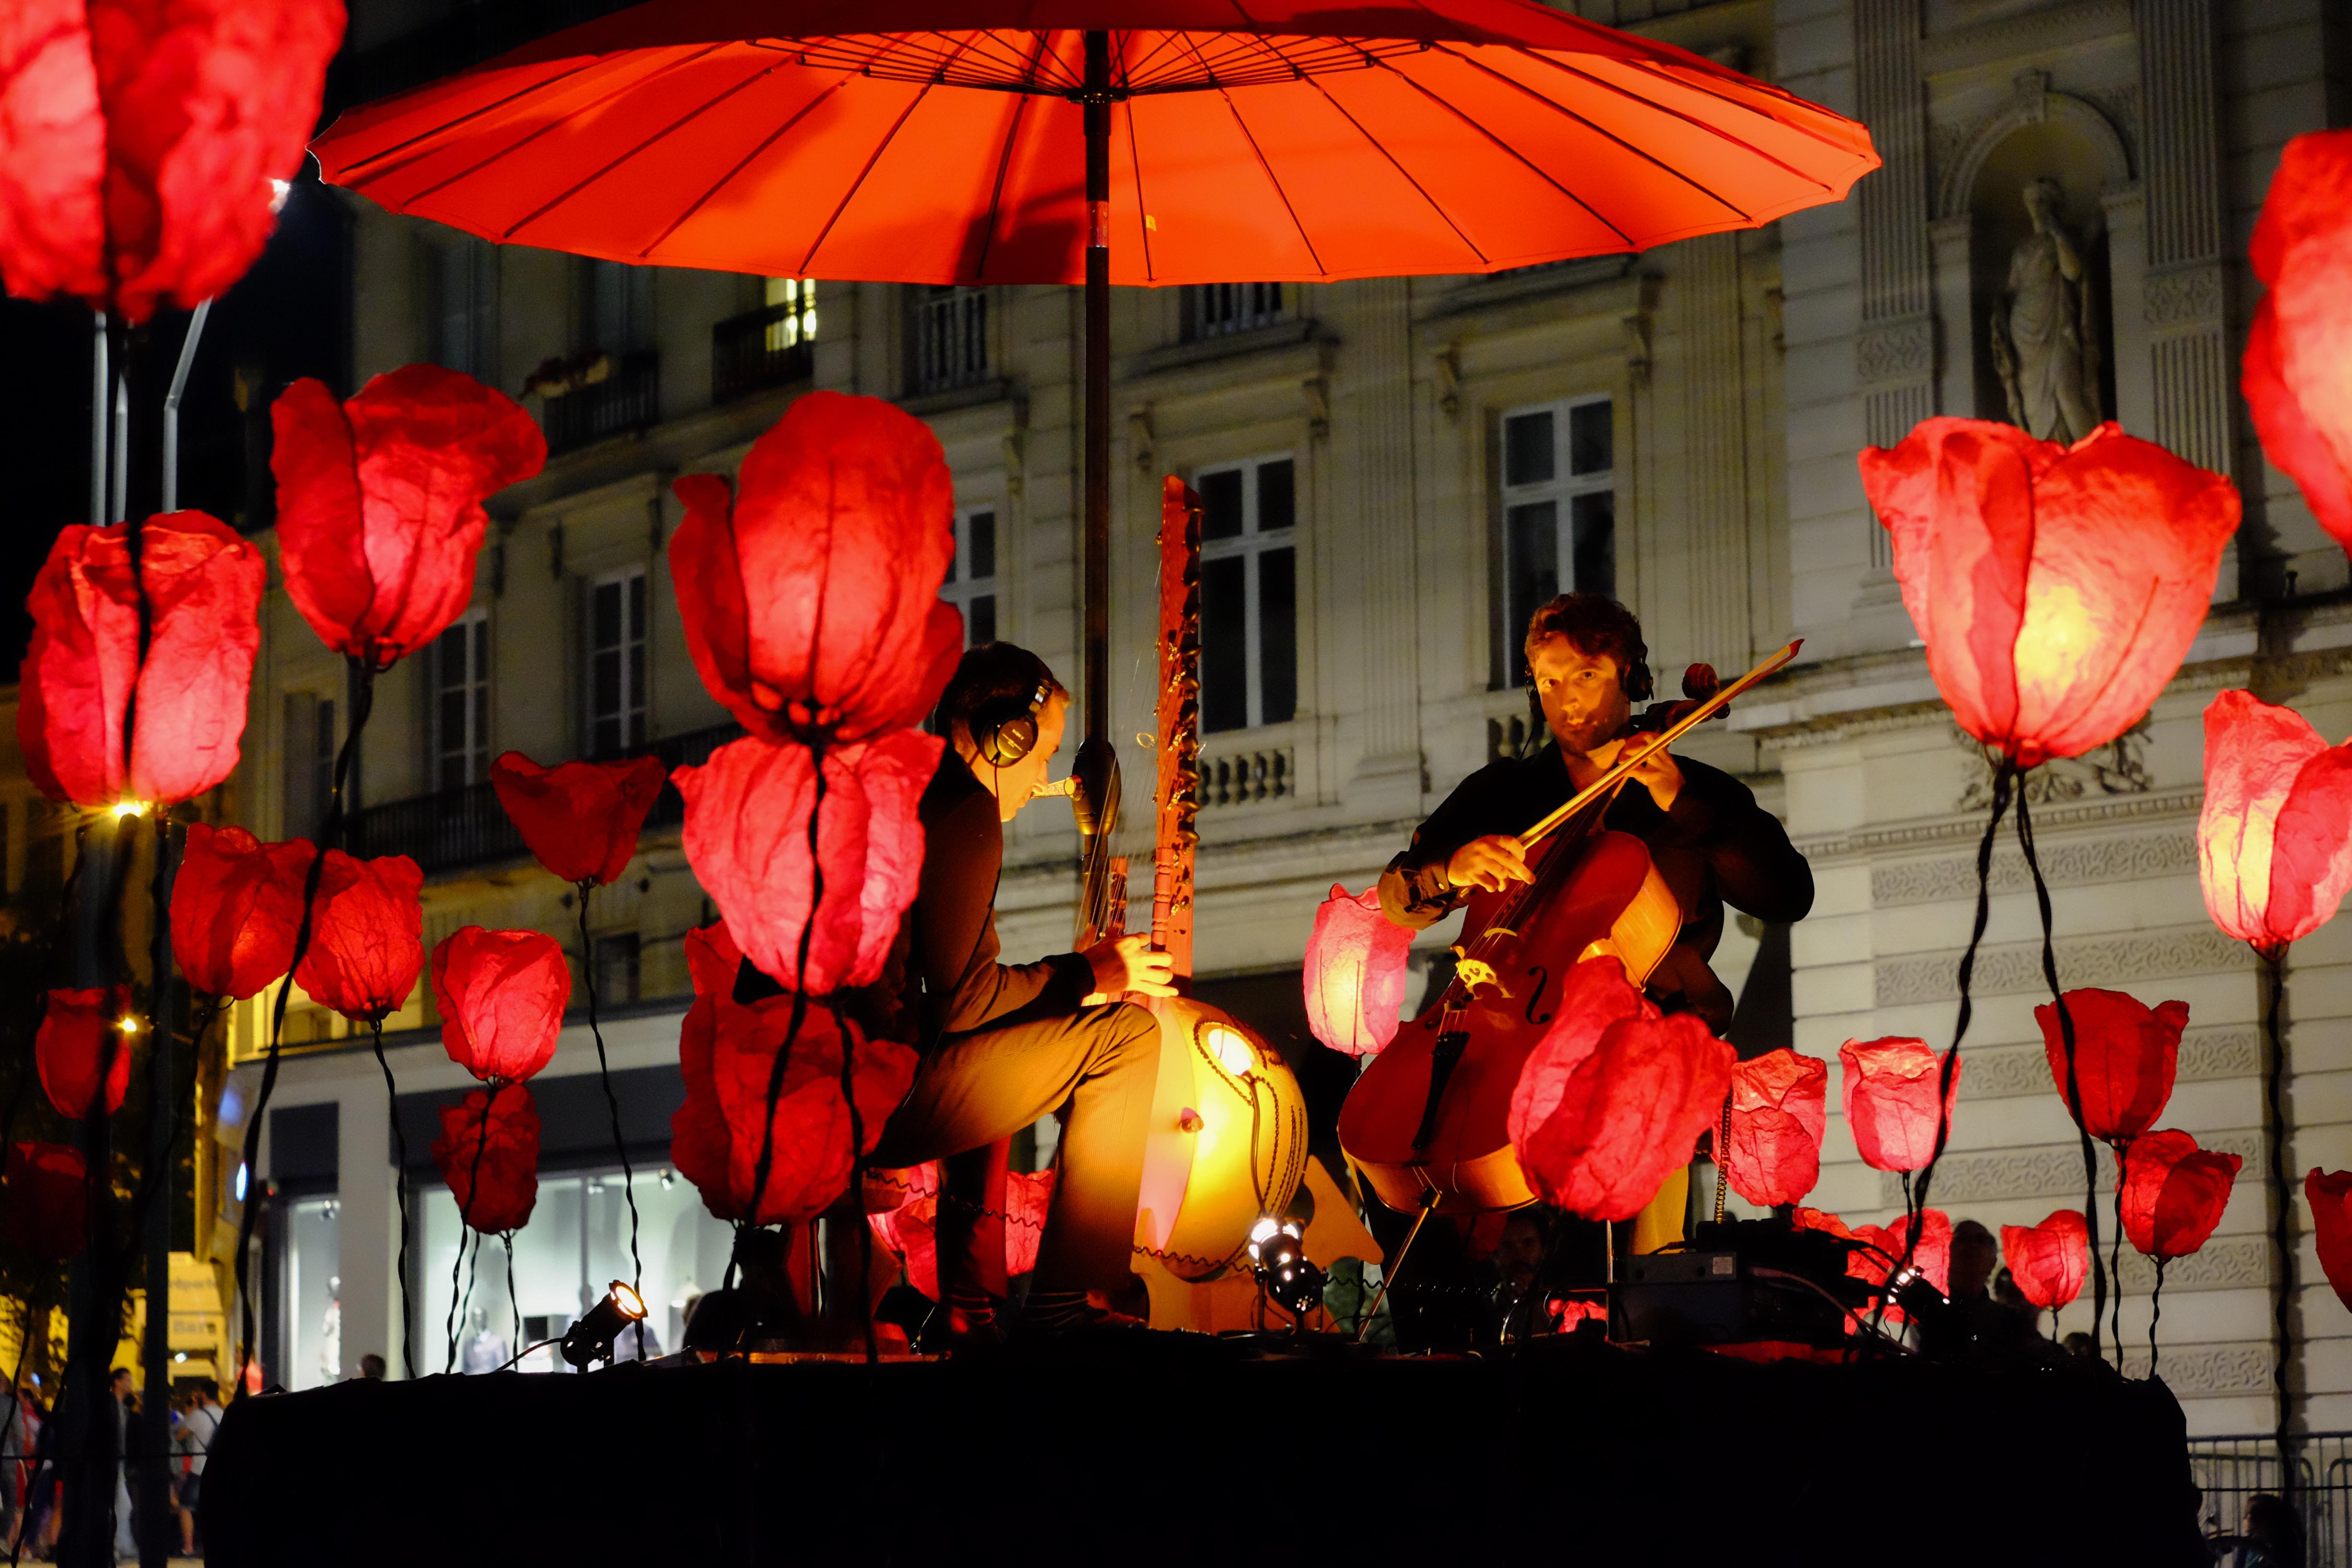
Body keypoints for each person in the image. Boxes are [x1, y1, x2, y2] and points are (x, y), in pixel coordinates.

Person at [1378, 595, 1814, 1252]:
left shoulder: (1693, 788)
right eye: (1548, 681)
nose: (1565, 699)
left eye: (1585, 675)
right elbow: (1397, 896)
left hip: (1651, 1069)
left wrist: (1681, 803)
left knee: (1645, 1269)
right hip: (1513, 1064)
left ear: (1630, 676)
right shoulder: (1505, 794)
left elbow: (1787, 893)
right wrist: (1453, 869)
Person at [865, 643, 1173, 1343]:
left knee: (1012, 1036)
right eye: (1044, 751)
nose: (1045, 777)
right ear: (1007, 736)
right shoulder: (964, 813)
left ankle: (972, 1308)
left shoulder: (920, 793)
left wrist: (1062, 986)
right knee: (1126, 1042)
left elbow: (956, 1000)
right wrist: (1094, 974)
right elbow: (963, 1002)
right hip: (886, 1098)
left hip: (852, 1085)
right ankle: (1072, 1305)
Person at [175, 1380, 221, 1559]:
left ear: (203, 1395)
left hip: (199, 1469)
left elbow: (180, 1434)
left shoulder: (198, 1415)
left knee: (186, 1506)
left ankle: (188, 1547)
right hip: (218, 1471)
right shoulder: (224, 1413)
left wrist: (194, 1409)